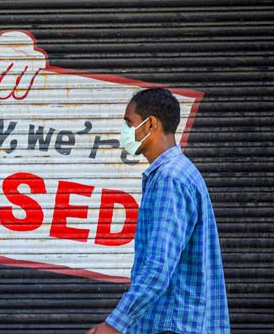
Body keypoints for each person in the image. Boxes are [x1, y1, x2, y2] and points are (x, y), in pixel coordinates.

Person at [86, 88, 230, 334]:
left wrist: (114, 325)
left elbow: (157, 268)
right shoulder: (181, 172)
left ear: (150, 124)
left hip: (171, 326)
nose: (125, 131)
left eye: (129, 122)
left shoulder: (169, 179)